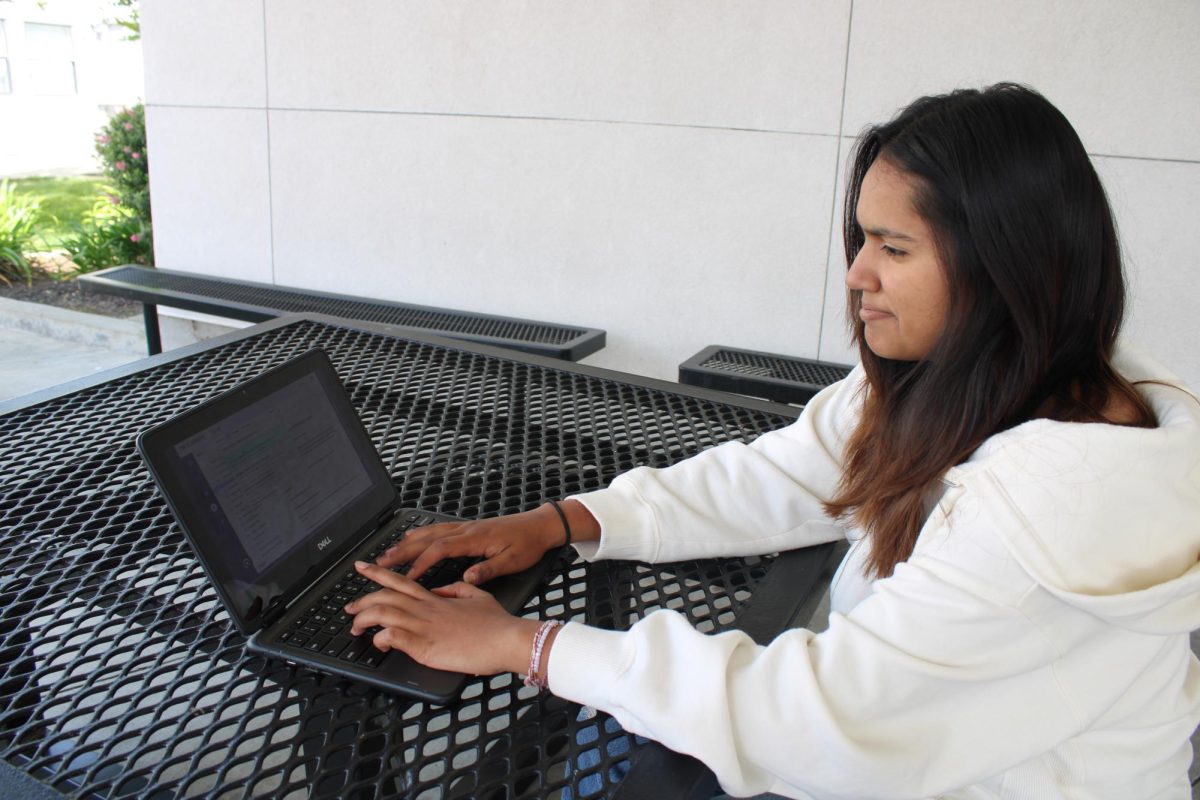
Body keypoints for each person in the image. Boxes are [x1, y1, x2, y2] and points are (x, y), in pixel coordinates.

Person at [344, 83, 1200, 798]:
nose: (858, 273)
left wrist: (521, 646)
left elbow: (819, 718)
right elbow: (784, 475)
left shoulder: (1055, 513)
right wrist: (565, 519)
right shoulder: (985, 376)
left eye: (893, 247)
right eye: (861, 238)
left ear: (1004, 269)